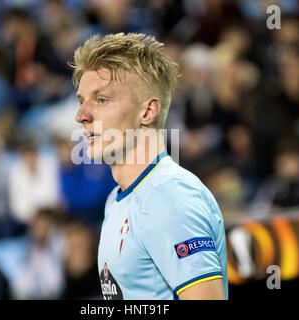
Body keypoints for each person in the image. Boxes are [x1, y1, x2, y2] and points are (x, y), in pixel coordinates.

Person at [71, 33, 228, 300]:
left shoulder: (169, 197)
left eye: (101, 99)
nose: (81, 115)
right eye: (81, 100)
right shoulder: (117, 199)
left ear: (147, 112)